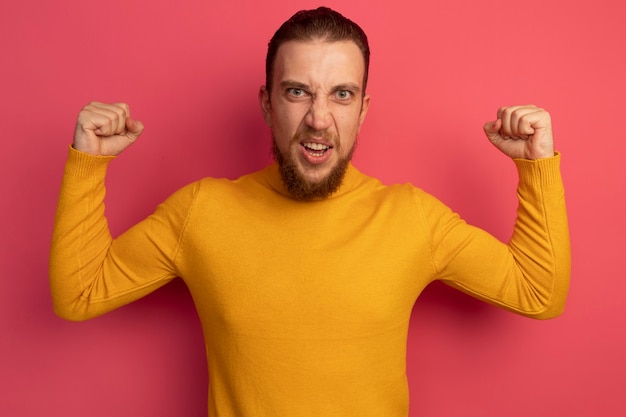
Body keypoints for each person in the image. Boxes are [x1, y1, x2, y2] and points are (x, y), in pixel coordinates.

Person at [49, 6, 570, 417]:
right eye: (297, 91)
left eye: (341, 94)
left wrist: (536, 166)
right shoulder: (201, 212)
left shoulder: (411, 218)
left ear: (363, 109)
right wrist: (88, 164)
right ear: (267, 103)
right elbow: (79, 292)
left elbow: (538, 292)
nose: (319, 119)